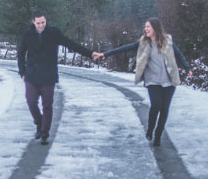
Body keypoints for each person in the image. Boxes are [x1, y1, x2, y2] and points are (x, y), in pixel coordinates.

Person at [96, 18, 192, 146]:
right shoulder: (143, 43)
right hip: (152, 80)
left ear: (155, 28)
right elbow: (125, 48)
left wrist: (187, 68)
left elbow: (179, 54)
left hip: (169, 81)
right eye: (145, 26)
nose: (145, 29)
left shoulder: (168, 41)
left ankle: (158, 135)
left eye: (148, 26)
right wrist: (105, 54)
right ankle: (150, 129)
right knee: (156, 105)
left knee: (164, 109)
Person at [17, 11, 100, 145]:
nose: (41, 25)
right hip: (31, 76)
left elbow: (71, 44)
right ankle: (39, 123)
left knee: (47, 105)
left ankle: (44, 133)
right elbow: (20, 54)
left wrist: (90, 54)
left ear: (46, 20)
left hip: (48, 76)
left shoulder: (53, 33)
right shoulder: (28, 34)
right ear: (33, 22)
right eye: (38, 23)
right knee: (31, 102)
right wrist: (22, 72)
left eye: (43, 22)